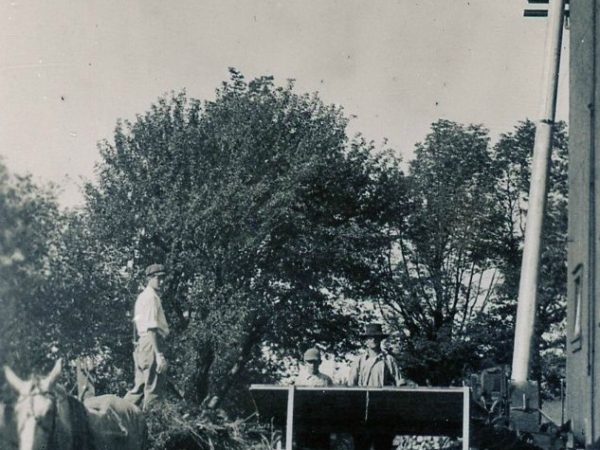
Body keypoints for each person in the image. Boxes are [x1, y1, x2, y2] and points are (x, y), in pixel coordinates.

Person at [347, 323, 407, 450]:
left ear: (380, 339)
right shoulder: (359, 361)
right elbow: (351, 387)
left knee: (383, 445)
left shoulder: (389, 360)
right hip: (362, 413)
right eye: (370, 337)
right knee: (361, 446)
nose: (373, 340)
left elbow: (400, 383)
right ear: (366, 341)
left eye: (376, 337)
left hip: (383, 413)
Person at [124, 263, 169, 411]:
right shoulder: (151, 298)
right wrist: (158, 354)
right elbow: (151, 328)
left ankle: (118, 413)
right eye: (158, 278)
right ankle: (152, 427)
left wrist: (138, 348)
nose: (162, 282)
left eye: (163, 278)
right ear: (150, 278)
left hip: (143, 344)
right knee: (153, 390)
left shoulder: (143, 297)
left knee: (139, 388)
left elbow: (138, 326)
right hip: (151, 344)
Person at [294, 348, 333, 450]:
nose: (312, 365)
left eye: (315, 362)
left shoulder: (326, 380)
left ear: (320, 362)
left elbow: (331, 401)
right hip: (304, 422)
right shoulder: (299, 380)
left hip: (321, 423)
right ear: (304, 363)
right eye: (310, 362)